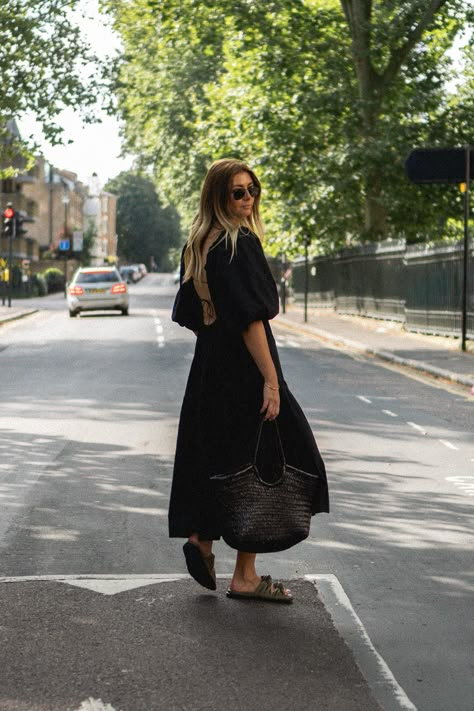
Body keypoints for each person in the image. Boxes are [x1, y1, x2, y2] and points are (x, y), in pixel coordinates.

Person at [169, 158, 329, 603]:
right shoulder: (240, 245)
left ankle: (202, 538)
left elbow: (191, 316)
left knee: (221, 458)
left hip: (208, 370)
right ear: (218, 197)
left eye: (251, 189)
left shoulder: (200, 244)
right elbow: (251, 322)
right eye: (237, 192)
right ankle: (245, 574)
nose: (247, 199)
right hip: (243, 371)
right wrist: (271, 381)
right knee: (269, 462)